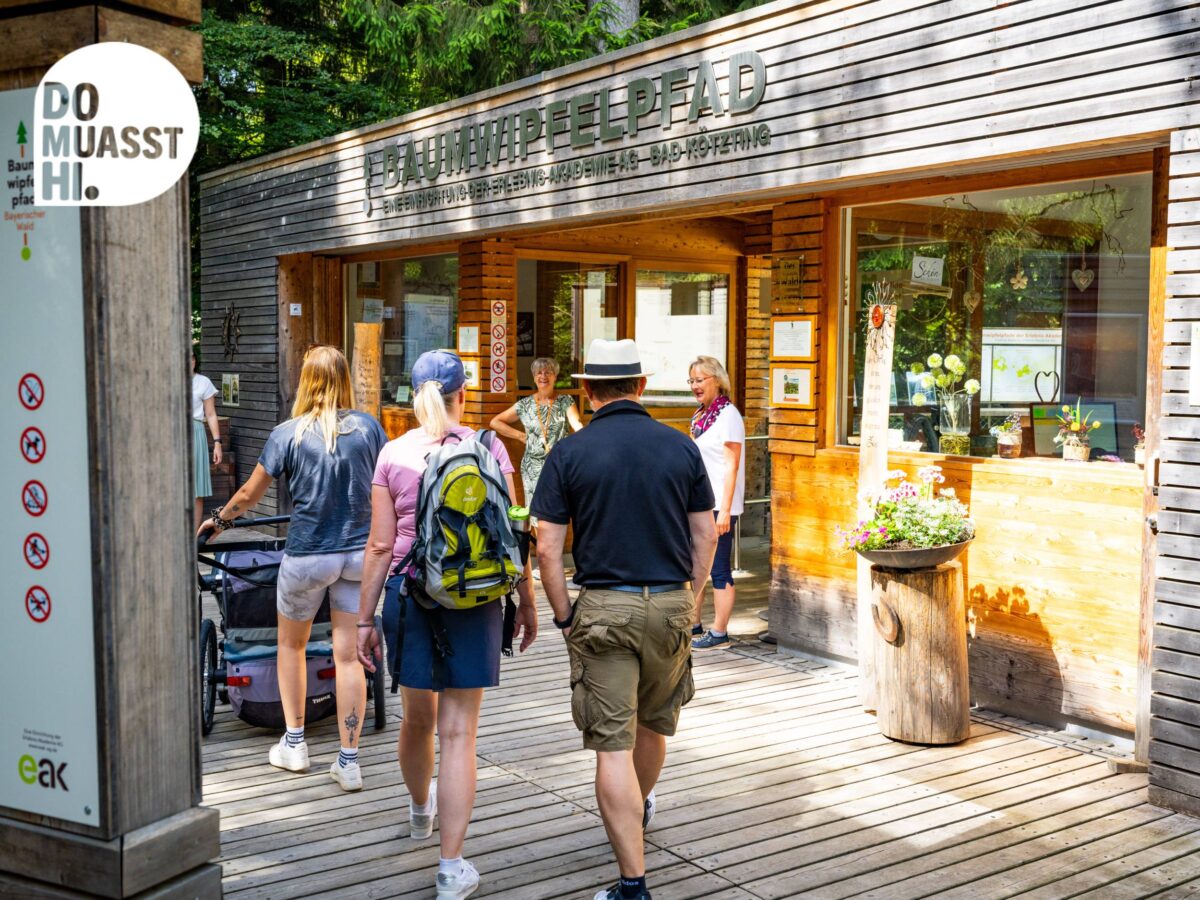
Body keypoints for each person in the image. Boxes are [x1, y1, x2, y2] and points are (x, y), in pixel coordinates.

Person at [532, 339, 717, 900]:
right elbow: (705, 533)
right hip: (669, 605)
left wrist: (564, 617)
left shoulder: (570, 453)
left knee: (612, 744)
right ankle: (640, 804)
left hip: (604, 607)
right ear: (640, 387)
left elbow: (546, 549)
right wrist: (692, 595)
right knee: (654, 722)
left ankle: (633, 885)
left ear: (587, 392)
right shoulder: (681, 448)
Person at [357, 350, 537, 900]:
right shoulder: (489, 448)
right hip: (476, 599)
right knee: (460, 733)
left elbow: (381, 544)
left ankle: (419, 811)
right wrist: (527, 602)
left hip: (410, 593)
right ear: (464, 394)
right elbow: (512, 532)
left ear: (413, 398)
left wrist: (363, 618)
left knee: (417, 721)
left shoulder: (393, 453)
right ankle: (451, 867)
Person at [198, 346, 386, 792]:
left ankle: (295, 743)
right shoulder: (369, 428)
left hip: (307, 556)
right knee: (348, 654)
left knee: (291, 646)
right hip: (358, 556)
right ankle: (349, 759)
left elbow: (247, 493)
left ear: (306, 380)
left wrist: (220, 521)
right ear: (343, 379)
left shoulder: (287, 434)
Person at [687, 356, 745, 651]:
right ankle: (693, 623)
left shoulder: (728, 415)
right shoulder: (700, 415)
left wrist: (725, 510)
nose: (695, 386)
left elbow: (731, 467)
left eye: (701, 380)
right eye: (692, 381)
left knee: (719, 568)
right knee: (695, 564)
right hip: (700, 502)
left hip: (720, 505)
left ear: (717, 381)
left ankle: (719, 631)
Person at [489, 355, 584, 510]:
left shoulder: (566, 401)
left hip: (559, 464)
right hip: (532, 466)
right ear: (534, 378)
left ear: (555, 376)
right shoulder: (525, 404)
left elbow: (576, 423)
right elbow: (495, 422)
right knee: (535, 511)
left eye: (548, 372)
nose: (543, 376)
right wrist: (521, 436)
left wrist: (589, 440)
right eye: (539, 373)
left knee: (558, 510)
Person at [191, 350, 222, 532]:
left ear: (195, 361)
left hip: (195, 431)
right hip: (172, 432)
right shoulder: (167, 379)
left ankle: (193, 538)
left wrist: (217, 442)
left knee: (196, 490)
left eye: (191, 358)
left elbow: (210, 414)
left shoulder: (203, 382)